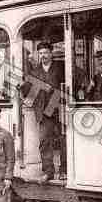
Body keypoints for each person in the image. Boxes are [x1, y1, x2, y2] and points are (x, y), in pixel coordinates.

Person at [27, 42, 67, 181]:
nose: (43, 55)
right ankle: (48, 171)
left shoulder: (62, 67)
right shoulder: (35, 71)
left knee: (64, 140)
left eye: (45, 52)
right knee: (44, 141)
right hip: (44, 112)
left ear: (51, 53)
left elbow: (77, 76)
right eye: (41, 53)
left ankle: (64, 170)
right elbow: (29, 91)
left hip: (60, 109)